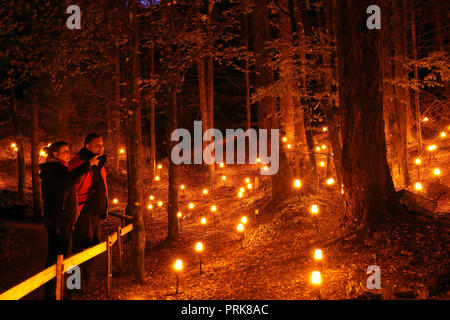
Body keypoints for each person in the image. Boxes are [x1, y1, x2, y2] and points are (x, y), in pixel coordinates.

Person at [40, 141, 100, 299]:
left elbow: (69, 181)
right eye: (65, 151)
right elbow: (67, 181)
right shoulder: (52, 170)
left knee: (61, 254)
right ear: (55, 154)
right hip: (58, 220)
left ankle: (55, 288)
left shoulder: (61, 169)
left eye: (69, 150)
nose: (69, 153)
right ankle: (52, 291)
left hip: (65, 220)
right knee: (56, 255)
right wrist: (87, 165)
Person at [69, 133, 108, 287]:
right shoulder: (78, 163)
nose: (101, 147)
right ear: (87, 146)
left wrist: (104, 208)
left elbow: (102, 186)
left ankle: (85, 283)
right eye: (97, 144)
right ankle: (75, 286)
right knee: (79, 249)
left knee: (93, 249)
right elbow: (73, 187)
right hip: (83, 214)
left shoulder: (99, 163)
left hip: (96, 214)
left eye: (102, 143)